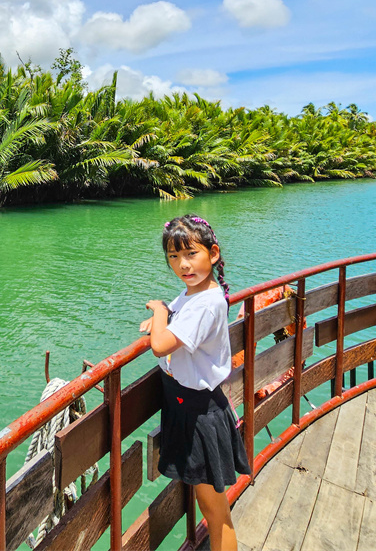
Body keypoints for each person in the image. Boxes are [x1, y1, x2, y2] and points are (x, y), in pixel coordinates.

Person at [139, 214, 249, 551]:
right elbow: (177, 313)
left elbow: (161, 344)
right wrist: (162, 316)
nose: (182, 265)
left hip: (200, 415)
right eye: (174, 257)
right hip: (189, 408)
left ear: (213, 253)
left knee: (216, 512)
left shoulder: (206, 303)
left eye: (191, 254)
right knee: (209, 507)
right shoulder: (197, 292)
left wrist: (157, 311)